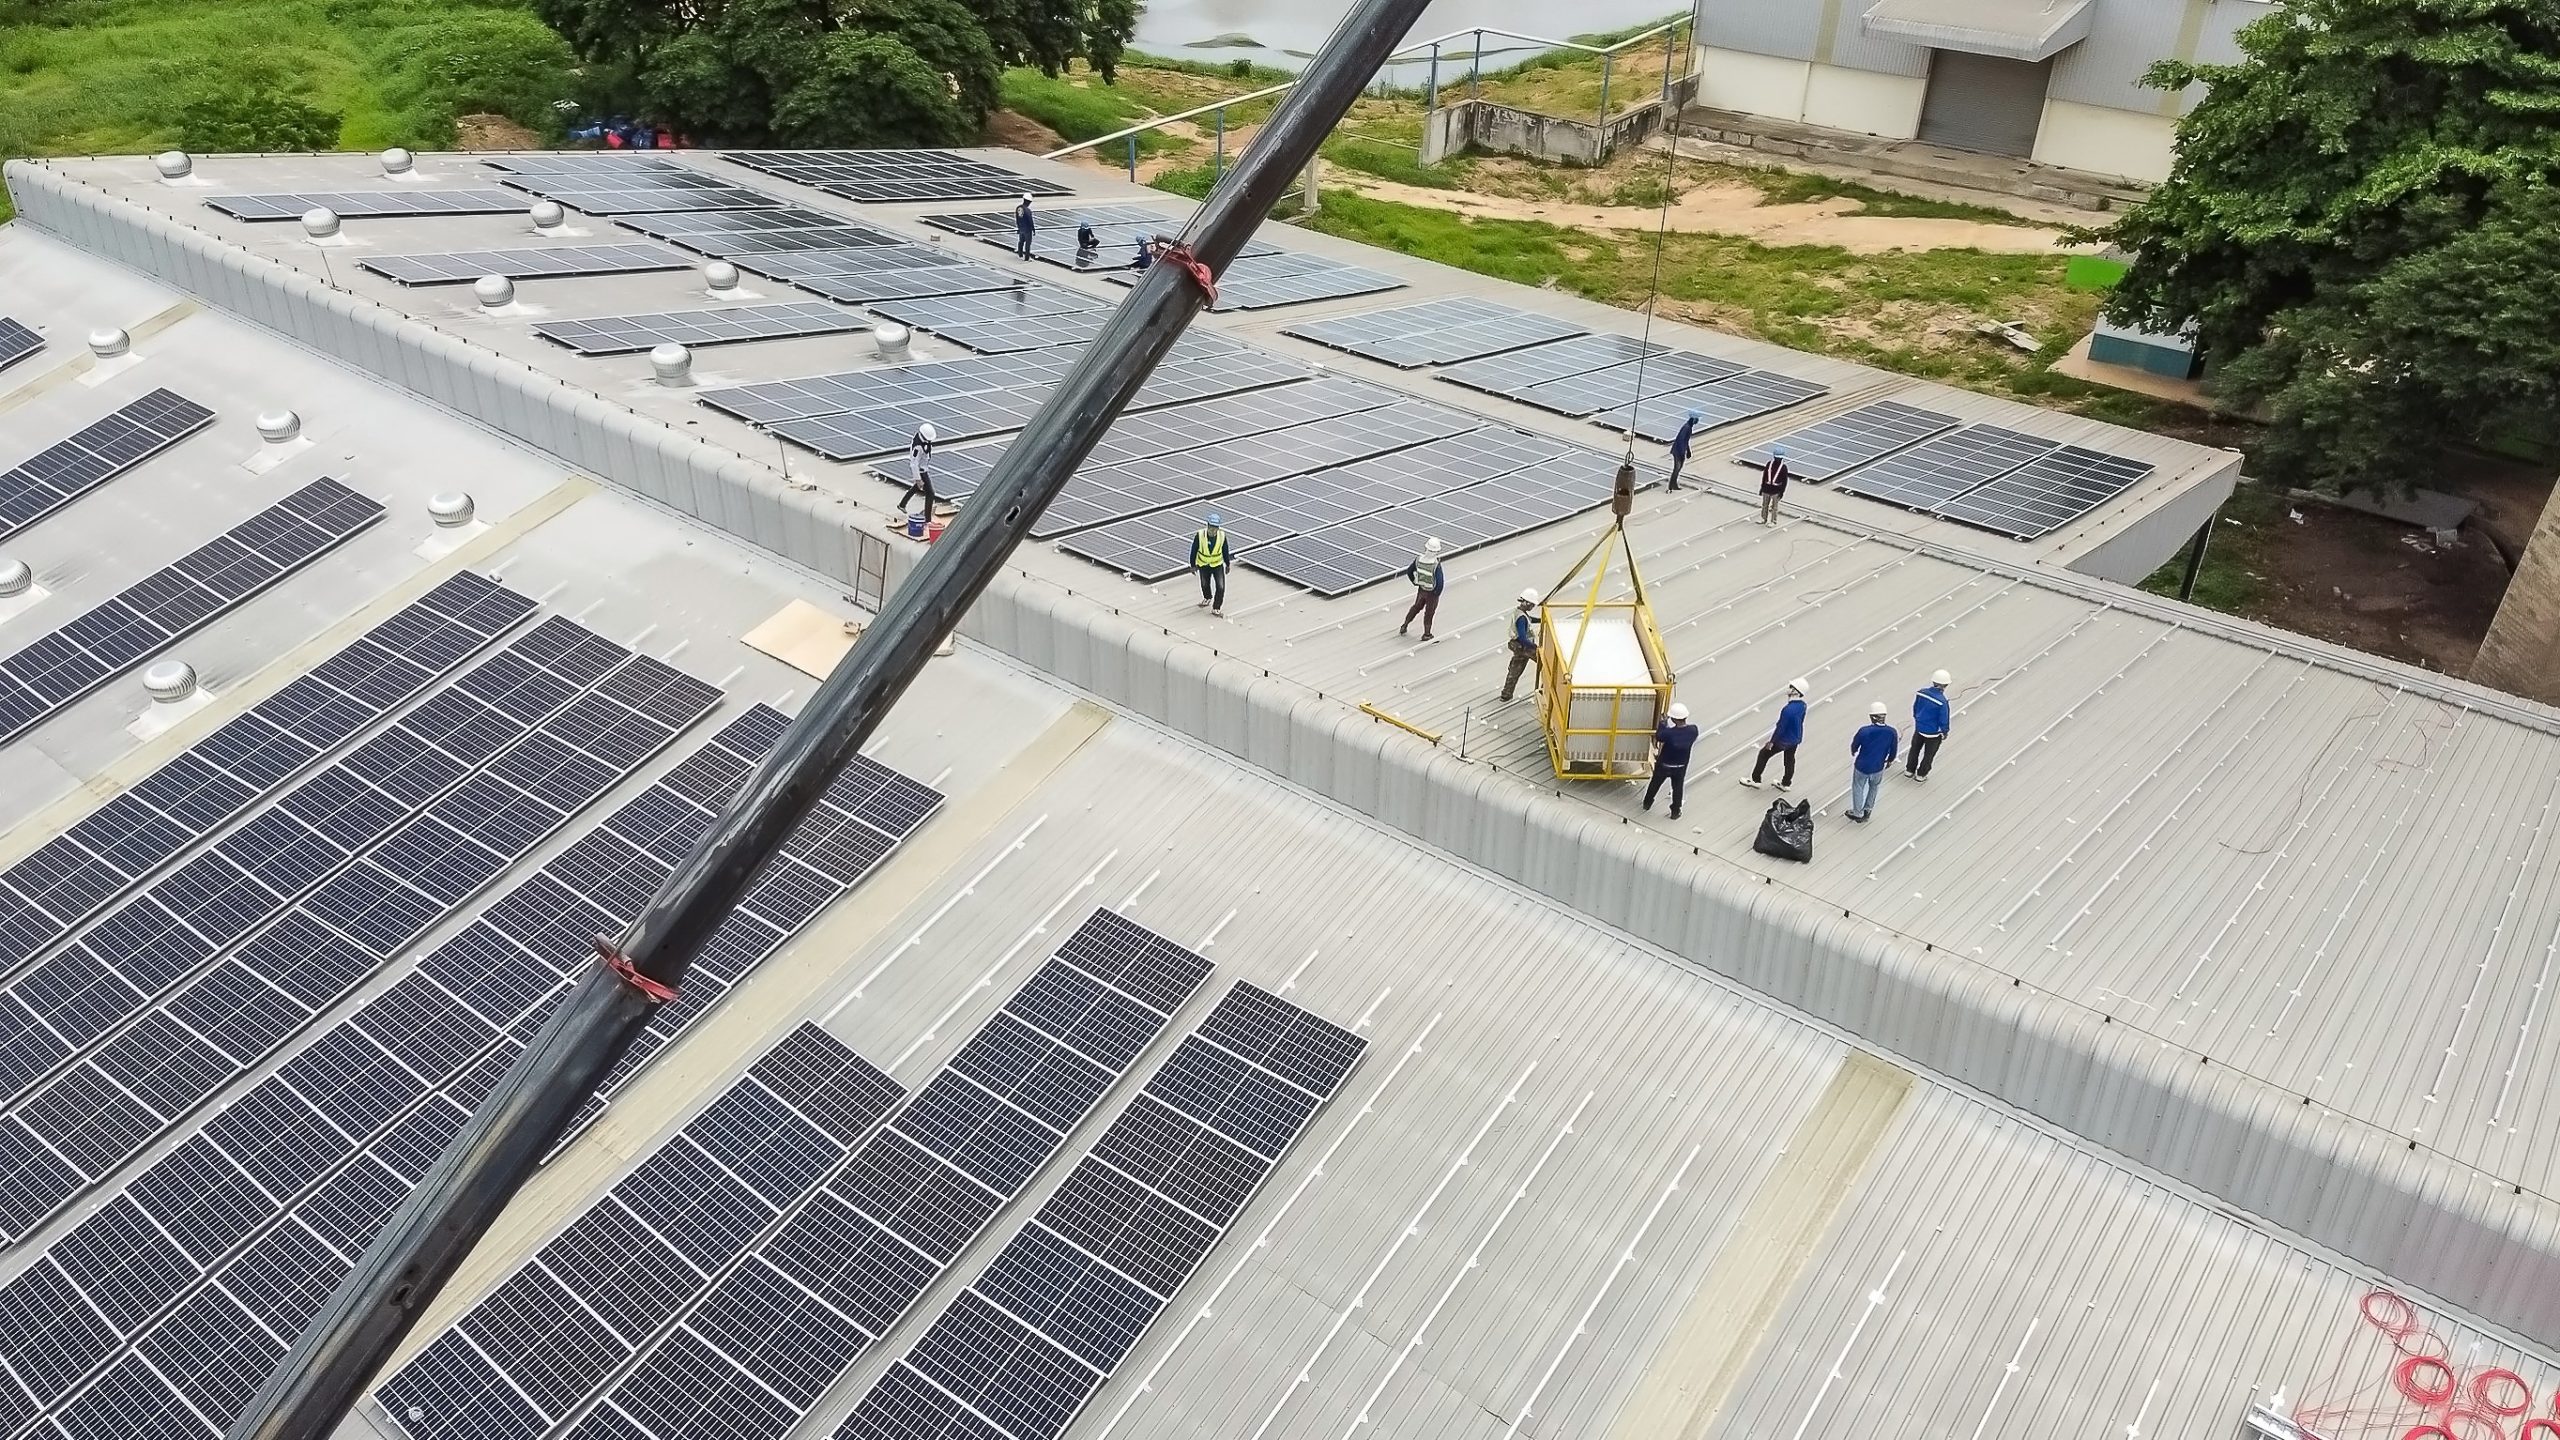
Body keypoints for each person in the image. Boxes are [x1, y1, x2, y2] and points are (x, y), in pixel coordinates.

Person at [1740, 679, 1808, 790]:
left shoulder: (1787, 710)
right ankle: (1786, 783)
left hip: (1783, 740)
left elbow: (1781, 727)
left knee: (1763, 754)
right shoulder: (1803, 706)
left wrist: (1772, 742)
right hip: (1795, 738)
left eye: (1791, 687)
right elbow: (1801, 720)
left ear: (1795, 691)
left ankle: (1755, 780)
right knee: (1789, 760)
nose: (1788, 688)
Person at [1643, 702, 1699, 819]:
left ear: (1673, 719)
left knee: (1655, 785)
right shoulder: (1693, 730)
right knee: (1678, 789)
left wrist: (1663, 723)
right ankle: (1675, 811)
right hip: (1681, 766)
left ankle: (1647, 803)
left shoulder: (1669, 733)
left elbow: (1659, 736)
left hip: (1664, 765)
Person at [1846, 700, 1898, 823]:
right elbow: (1894, 749)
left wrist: (1853, 751)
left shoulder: (1864, 731)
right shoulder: (1891, 732)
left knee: (1858, 787)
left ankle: (1857, 812)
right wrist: (1890, 760)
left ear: (1872, 717)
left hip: (1862, 765)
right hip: (1878, 766)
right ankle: (1868, 809)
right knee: (1874, 788)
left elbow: (1855, 744)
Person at [889, 422, 937, 527]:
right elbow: (914, 463)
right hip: (921, 471)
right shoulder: (918, 447)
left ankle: (902, 504)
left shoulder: (923, 441)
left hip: (923, 469)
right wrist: (918, 478)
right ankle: (927, 520)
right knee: (931, 493)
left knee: (916, 488)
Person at [1907, 669, 1952, 781]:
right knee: (1929, 755)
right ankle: (1921, 774)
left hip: (1919, 728)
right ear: (1945, 685)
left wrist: (1917, 720)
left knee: (1914, 749)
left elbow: (1915, 708)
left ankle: (1909, 770)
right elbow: (1944, 719)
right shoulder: (1942, 702)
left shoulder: (1921, 693)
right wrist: (1945, 732)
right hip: (1933, 733)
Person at [1400, 538, 1447, 640]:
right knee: (1429, 612)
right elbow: (1440, 582)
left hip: (1421, 589)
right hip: (1432, 593)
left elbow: (1409, 571)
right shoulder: (1435, 564)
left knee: (1416, 607)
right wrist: (1437, 593)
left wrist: (1415, 582)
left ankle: (1405, 625)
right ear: (1437, 551)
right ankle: (1427, 634)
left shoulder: (1419, 560)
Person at [1498, 589, 1540, 701]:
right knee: (1545, 663)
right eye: (1532, 605)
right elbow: (1522, 637)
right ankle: (1545, 688)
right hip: (1524, 647)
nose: (1532, 607)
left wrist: (1541, 620)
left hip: (1518, 646)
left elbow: (1529, 619)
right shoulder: (1521, 618)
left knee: (1514, 671)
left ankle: (1506, 694)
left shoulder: (1519, 612)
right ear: (1526, 602)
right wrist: (1536, 648)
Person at [1190, 511, 1230, 614]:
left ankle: (1216, 607)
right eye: (1212, 527)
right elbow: (1194, 550)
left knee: (1221, 587)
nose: (1213, 530)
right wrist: (1192, 565)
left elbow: (1225, 550)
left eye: (1215, 527)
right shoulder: (1200, 535)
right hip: (1203, 565)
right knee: (1204, 584)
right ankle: (1207, 597)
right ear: (1208, 525)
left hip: (1217, 565)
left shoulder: (1222, 536)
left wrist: (1228, 564)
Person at [1667, 410, 1701, 491]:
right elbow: (1681, 440)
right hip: (1678, 451)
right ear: (1693, 419)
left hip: (1680, 451)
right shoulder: (1686, 428)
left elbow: (1686, 441)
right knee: (1677, 468)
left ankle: (1673, 484)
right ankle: (1671, 486)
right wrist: (1682, 453)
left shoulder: (1689, 427)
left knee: (1678, 468)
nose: (1697, 421)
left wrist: (1688, 451)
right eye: (1696, 419)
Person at [1758, 445, 1792, 525]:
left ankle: (1773, 521)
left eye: (1779, 458)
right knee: (1764, 505)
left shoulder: (1783, 467)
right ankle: (1763, 518)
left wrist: (1781, 492)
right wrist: (1762, 488)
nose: (1778, 459)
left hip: (1776, 491)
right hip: (1766, 489)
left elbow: (1784, 481)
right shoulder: (1769, 464)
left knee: (1774, 507)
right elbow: (1764, 476)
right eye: (1777, 457)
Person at [1014, 194, 1036, 259]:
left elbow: (1017, 218)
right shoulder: (1027, 210)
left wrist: (1018, 227)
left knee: (1021, 241)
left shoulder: (1018, 208)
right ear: (1029, 202)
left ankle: (1020, 255)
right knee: (1028, 243)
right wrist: (1033, 229)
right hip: (1027, 229)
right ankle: (1026, 258)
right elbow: (1030, 220)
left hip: (1021, 228)